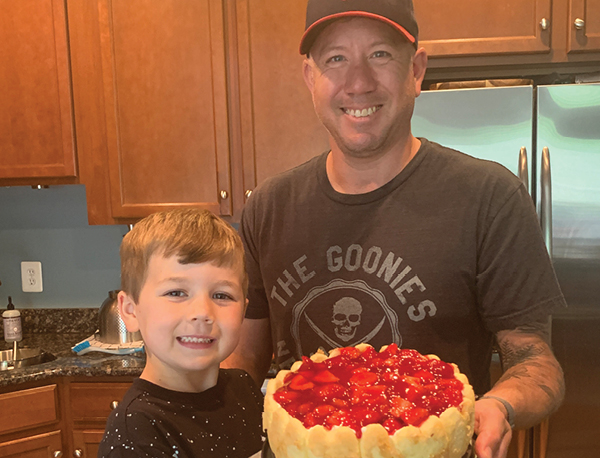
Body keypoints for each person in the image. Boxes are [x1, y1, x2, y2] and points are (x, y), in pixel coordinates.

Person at [223, 1, 566, 457]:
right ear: (311, 78)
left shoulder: (489, 197)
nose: (359, 82)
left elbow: (537, 363)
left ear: (417, 71)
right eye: (336, 59)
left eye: (380, 55)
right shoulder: (268, 205)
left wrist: (500, 405)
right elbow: (243, 358)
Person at [98, 209, 264, 458]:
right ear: (131, 311)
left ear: (243, 313)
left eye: (222, 295)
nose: (202, 312)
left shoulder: (244, 389)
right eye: (176, 293)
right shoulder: (135, 433)